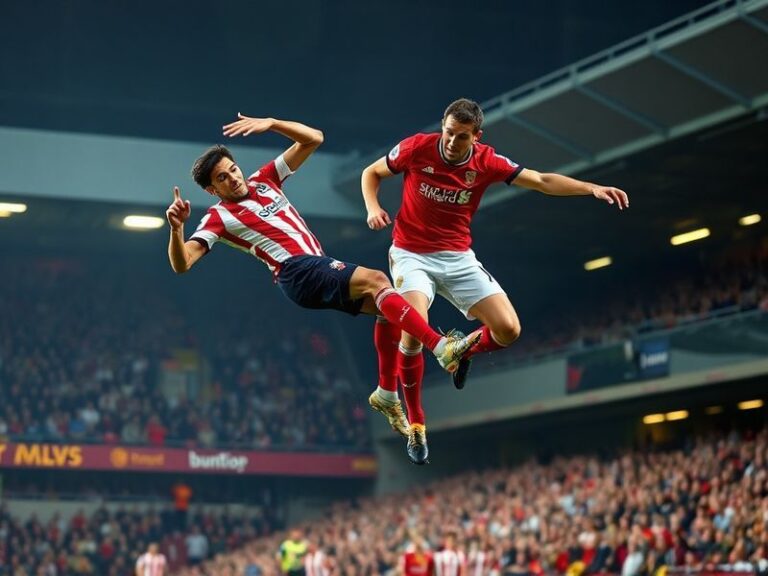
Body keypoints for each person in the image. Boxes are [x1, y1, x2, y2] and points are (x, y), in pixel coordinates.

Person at [165, 114, 480, 448]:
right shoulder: (217, 217)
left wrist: (272, 123)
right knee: (377, 279)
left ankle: (387, 393)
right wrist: (176, 228)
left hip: (312, 267)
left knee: (389, 306)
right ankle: (441, 347)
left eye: (233, 169)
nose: (233, 178)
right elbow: (182, 263)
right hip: (294, 270)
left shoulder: (265, 180)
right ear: (213, 189)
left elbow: (313, 138)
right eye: (222, 179)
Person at [362, 98, 629, 464]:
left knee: (508, 330)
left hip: (458, 257)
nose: (453, 143)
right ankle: (418, 426)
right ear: (442, 125)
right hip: (412, 254)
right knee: (414, 327)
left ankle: (462, 348)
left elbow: (542, 181)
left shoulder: (486, 161)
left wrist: (590, 188)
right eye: (450, 133)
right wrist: (373, 207)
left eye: (462, 137)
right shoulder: (417, 147)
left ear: (477, 136)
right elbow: (371, 173)